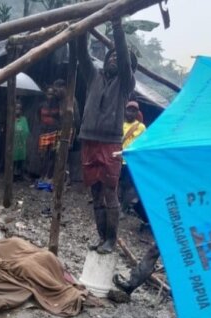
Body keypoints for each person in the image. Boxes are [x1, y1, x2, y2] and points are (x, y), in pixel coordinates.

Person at [77, 18, 137, 254]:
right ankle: (102, 237)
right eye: (109, 56)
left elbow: (123, 57)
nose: (114, 58)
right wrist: (82, 27)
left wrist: (117, 25)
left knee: (109, 191)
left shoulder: (125, 83)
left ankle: (111, 240)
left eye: (118, 58)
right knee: (95, 191)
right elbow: (82, 52)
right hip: (89, 140)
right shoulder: (93, 76)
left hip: (110, 142)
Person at [120, 101, 147, 219]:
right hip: (118, 158)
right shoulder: (120, 124)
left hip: (131, 161)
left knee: (129, 185)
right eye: (128, 110)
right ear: (125, 111)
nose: (130, 113)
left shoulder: (141, 127)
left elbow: (143, 143)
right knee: (119, 184)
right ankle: (119, 206)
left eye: (133, 111)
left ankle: (123, 209)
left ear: (137, 113)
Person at [37, 86, 61, 183]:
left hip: (54, 132)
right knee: (43, 155)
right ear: (46, 94)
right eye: (48, 94)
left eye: (52, 94)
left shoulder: (58, 106)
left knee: (52, 155)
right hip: (44, 132)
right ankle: (42, 176)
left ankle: (49, 177)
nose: (50, 96)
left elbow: (60, 117)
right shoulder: (42, 105)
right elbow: (38, 116)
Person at [13, 101, 30, 179]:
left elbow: (26, 131)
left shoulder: (24, 119)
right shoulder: (11, 119)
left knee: (21, 159)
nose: (18, 111)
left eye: (19, 109)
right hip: (13, 142)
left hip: (21, 142)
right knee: (13, 158)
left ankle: (20, 174)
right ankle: (12, 174)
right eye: (16, 109)